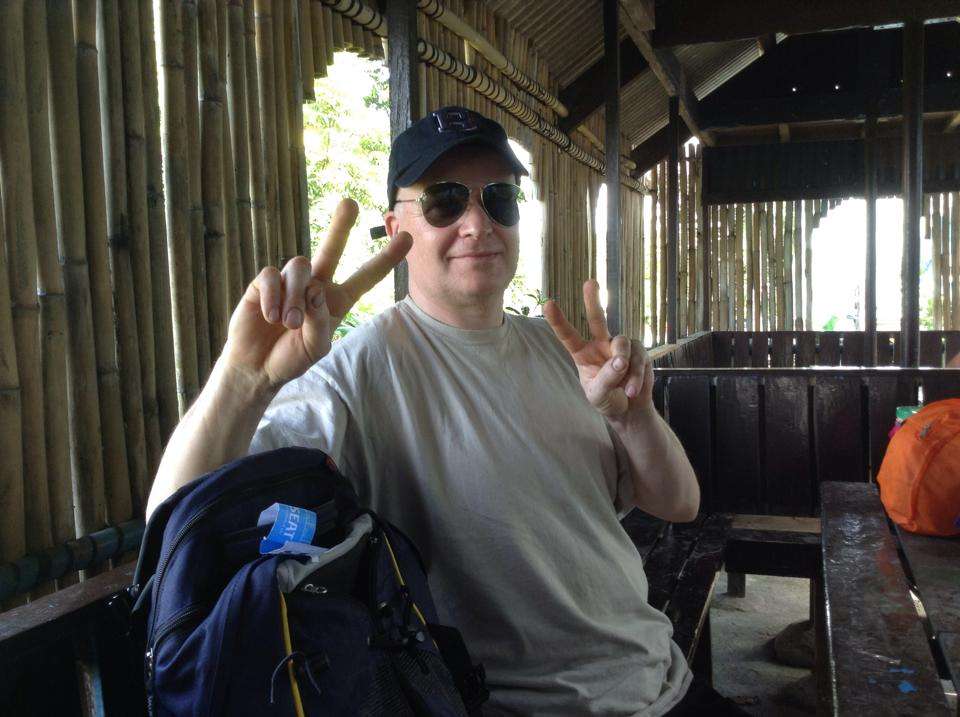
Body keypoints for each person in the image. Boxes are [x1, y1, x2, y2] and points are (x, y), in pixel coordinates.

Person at [148, 106, 746, 716]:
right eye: (444, 201)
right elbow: (173, 523)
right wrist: (244, 379)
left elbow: (680, 504)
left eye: (499, 200)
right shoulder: (355, 373)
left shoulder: (564, 351)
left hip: (658, 680)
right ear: (395, 228)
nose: (477, 223)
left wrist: (632, 416)